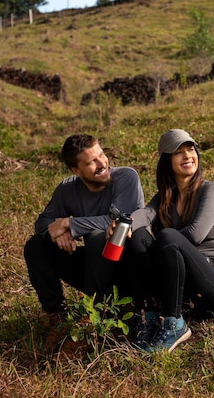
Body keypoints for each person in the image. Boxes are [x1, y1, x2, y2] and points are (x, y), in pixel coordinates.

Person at [116, 128, 214, 353]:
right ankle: (148, 318)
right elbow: (145, 215)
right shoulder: (164, 198)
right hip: (185, 289)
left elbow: (195, 234)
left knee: (167, 236)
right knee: (138, 236)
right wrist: (124, 225)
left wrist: (160, 244)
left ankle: (174, 324)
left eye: (190, 149)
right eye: (178, 152)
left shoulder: (212, 190)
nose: (187, 156)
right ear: (166, 161)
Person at [24, 133, 144, 351]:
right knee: (36, 246)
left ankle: (94, 316)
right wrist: (59, 232)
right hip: (94, 269)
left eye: (102, 155)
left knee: (99, 237)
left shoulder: (126, 177)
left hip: (128, 269)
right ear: (76, 171)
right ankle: (56, 316)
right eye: (92, 162)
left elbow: (121, 221)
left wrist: (70, 224)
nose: (102, 163)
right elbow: (44, 223)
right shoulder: (67, 189)